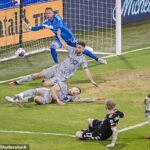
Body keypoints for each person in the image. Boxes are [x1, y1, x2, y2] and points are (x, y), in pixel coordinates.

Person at [9, 29, 98, 87]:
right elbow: (64, 44)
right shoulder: (72, 50)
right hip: (56, 68)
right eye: (77, 46)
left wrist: (92, 81)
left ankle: (48, 81)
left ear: (83, 49)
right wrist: (59, 35)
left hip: (62, 76)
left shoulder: (83, 60)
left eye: (79, 47)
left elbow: (87, 71)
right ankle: (17, 82)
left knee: (45, 84)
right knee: (37, 75)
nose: (77, 48)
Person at [24, 7, 107, 64]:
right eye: (46, 13)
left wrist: (50, 27)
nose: (48, 14)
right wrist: (30, 28)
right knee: (52, 48)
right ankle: (57, 64)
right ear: (45, 14)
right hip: (59, 38)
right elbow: (37, 28)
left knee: (81, 50)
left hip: (69, 37)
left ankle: (97, 59)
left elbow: (59, 25)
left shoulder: (57, 17)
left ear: (52, 13)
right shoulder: (45, 22)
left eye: (49, 13)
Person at [6, 81, 81, 105]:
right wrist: (57, 100)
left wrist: (92, 100)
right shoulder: (64, 85)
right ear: (73, 87)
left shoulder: (70, 98)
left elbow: (82, 99)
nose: (76, 92)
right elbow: (53, 89)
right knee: (37, 90)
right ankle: (19, 95)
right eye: (77, 89)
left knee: (36, 99)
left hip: (47, 99)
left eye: (77, 92)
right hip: (47, 91)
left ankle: (16, 101)